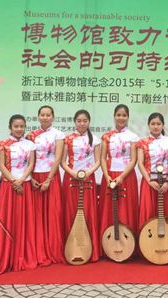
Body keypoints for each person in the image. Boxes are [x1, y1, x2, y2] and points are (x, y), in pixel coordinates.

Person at [0, 115, 37, 274]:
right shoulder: (2, 144)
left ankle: (24, 255)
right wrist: (14, 182)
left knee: (25, 220)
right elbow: (1, 165)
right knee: (8, 219)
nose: (19, 129)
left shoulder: (30, 144)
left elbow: (31, 164)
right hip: (8, 186)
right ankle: (7, 256)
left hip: (25, 186)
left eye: (22, 126)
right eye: (16, 126)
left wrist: (22, 180)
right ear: (10, 127)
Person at [26, 105, 65, 265]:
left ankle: (53, 249)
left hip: (51, 176)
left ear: (53, 117)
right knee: (36, 215)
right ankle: (37, 250)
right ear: (38, 116)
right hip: (34, 177)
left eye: (48, 115)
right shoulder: (31, 135)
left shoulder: (58, 134)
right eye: (42, 115)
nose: (45, 117)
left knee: (53, 213)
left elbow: (58, 158)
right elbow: (27, 159)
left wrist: (49, 180)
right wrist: (30, 177)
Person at [61, 109, 101, 262]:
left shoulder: (95, 139)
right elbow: (62, 162)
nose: (82, 123)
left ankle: (91, 250)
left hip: (88, 179)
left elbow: (98, 161)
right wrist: (73, 173)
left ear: (89, 122)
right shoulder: (68, 139)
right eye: (79, 121)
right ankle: (70, 248)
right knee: (71, 210)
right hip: (71, 178)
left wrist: (89, 172)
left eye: (85, 121)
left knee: (88, 210)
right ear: (74, 122)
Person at [99, 104, 139, 250]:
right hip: (109, 176)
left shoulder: (133, 137)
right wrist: (106, 176)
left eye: (124, 115)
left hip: (127, 177)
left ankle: (128, 246)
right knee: (109, 209)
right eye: (118, 115)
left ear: (128, 117)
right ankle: (107, 245)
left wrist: (121, 177)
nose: (121, 118)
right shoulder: (106, 136)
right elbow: (103, 158)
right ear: (114, 116)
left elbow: (133, 159)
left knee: (126, 209)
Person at [137, 113, 168, 230]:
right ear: (148, 125)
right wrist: (149, 181)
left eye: (158, 124)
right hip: (149, 182)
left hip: (166, 182)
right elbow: (140, 164)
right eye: (153, 124)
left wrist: (167, 182)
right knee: (148, 213)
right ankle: (147, 239)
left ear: (163, 125)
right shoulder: (142, 142)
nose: (156, 126)